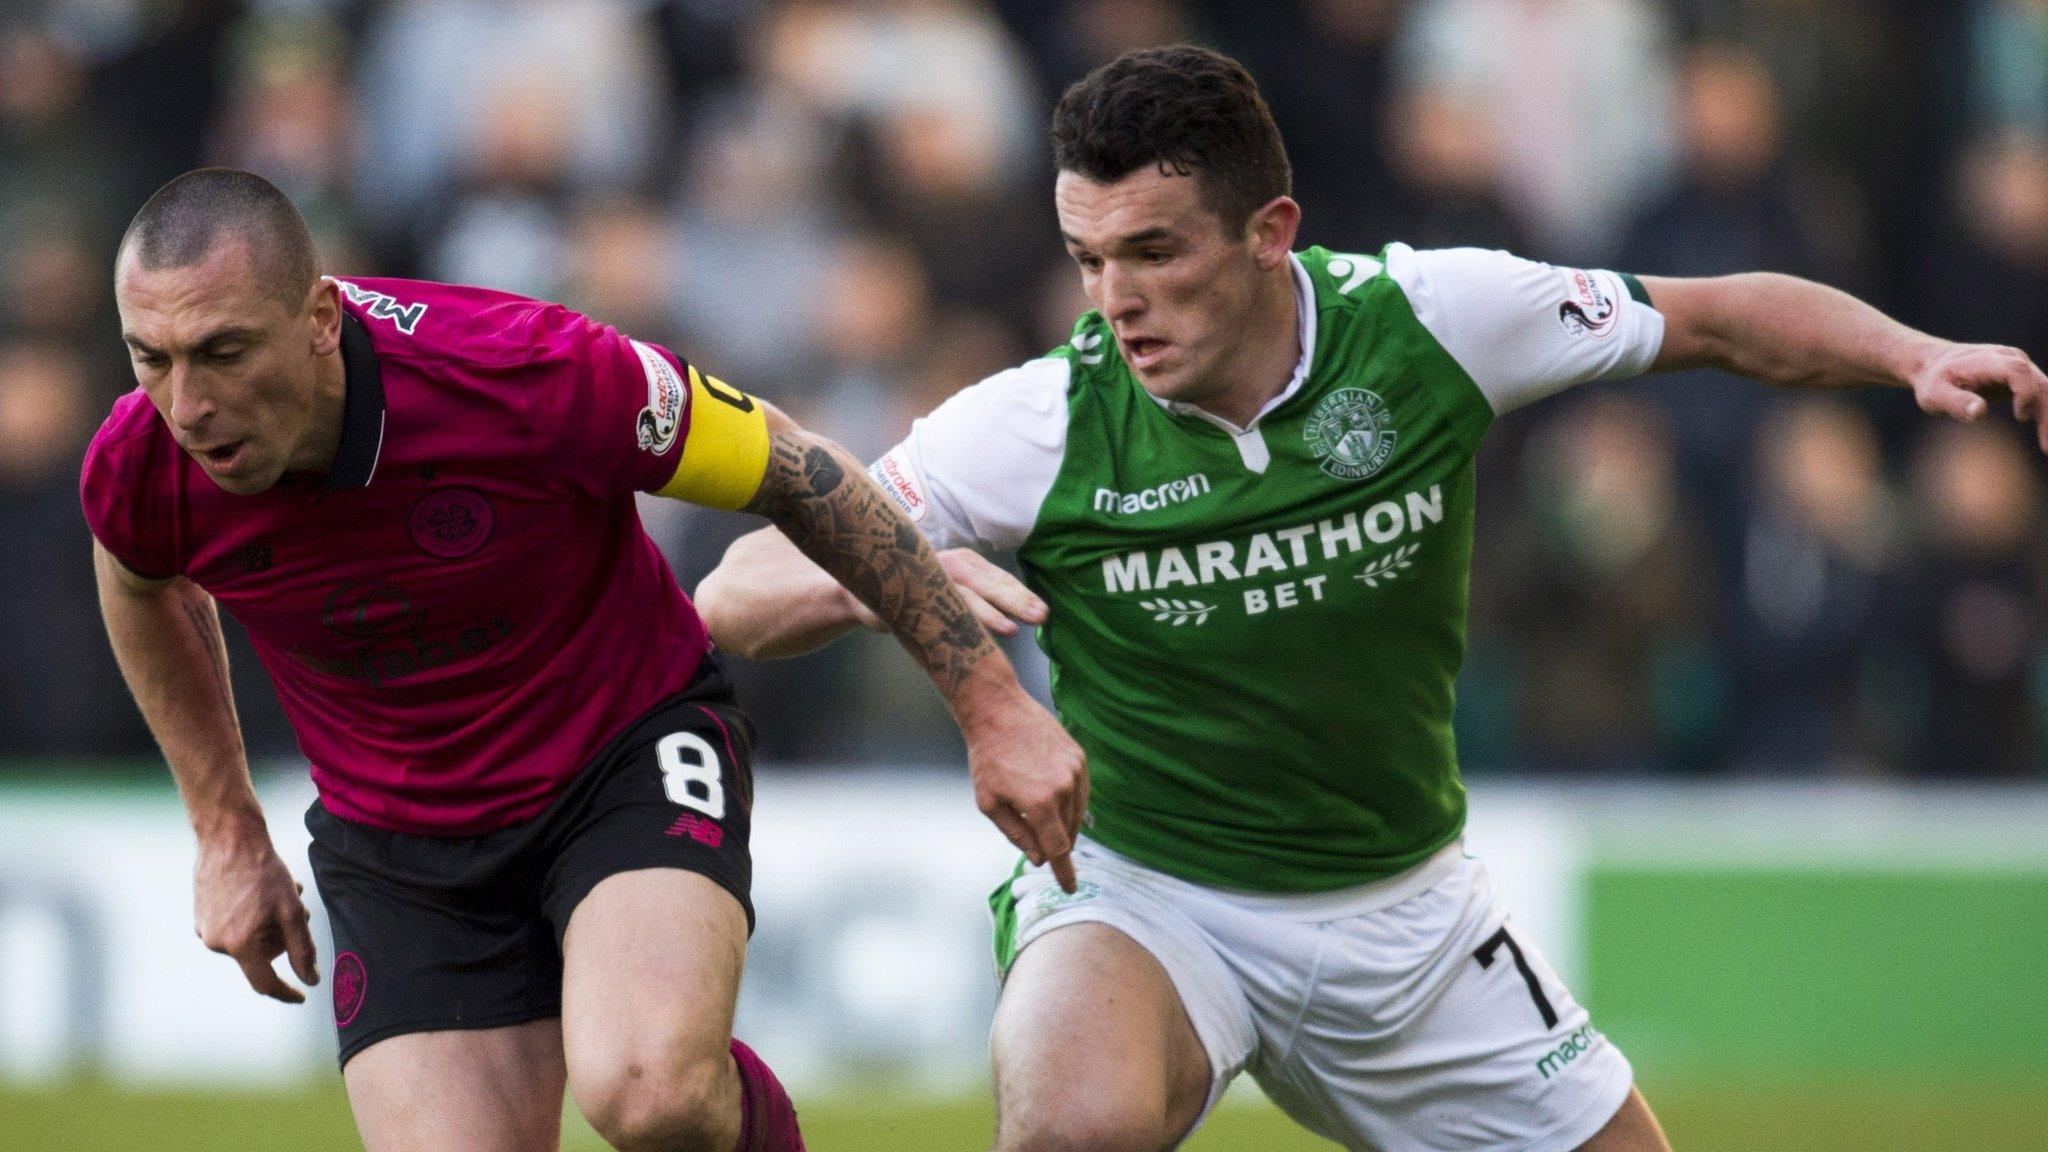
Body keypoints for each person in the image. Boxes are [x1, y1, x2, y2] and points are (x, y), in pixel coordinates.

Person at [695, 45, 2048, 1152]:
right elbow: (742, 585)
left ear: (1271, 232)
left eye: (1155, 252)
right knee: (1071, 1126)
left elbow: (1715, 317)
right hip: (1150, 892)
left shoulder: (1435, 323)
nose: (1116, 301)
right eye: (1089, 258)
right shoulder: (1040, 425)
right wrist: (906, 579)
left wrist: (1910, 353)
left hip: (1407, 912)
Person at [82, 168, 1085, 1152]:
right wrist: (224, 831)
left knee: (650, 1093)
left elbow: (802, 473)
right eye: (151, 357)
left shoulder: (527, 374)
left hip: (617, 759)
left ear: (318, 317)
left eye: (222, 352)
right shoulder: (142, 463)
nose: (188, 404)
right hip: (395, 841)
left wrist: (989, 708)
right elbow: (139, 580)